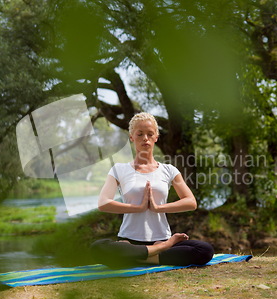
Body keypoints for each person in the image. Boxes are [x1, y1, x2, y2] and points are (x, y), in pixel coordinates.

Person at [91, 112, 214, 268]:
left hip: (162, 238)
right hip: (130, 242)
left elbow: (191, 202)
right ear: (131, 137)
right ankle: (156, 251)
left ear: (156, 137)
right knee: (97, 247)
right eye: (140, 134)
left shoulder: (169, 170)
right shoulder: (119, 169)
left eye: (150, 134)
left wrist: (158, 208)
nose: (145, 138)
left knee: (204, 250)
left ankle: (138, 258)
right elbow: (103, 203)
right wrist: (138, 208)